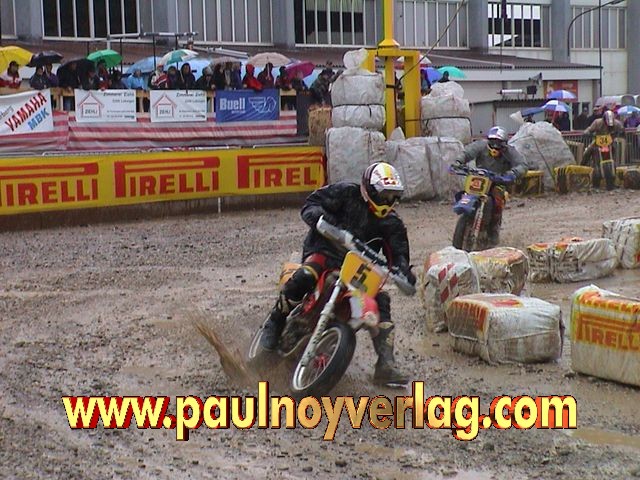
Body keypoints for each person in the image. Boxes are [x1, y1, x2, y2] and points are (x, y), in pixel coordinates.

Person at [259, 162, 416, 386]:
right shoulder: (345, 193)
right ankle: (275, 322)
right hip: (325, 251)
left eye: (393, 196)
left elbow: (399, 254)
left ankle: (385, 363)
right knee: (306, 275)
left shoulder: (392, 223)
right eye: (384, 195)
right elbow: (311, 204)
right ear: (370, 190)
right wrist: (327, 224)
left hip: (359, 269)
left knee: (382, 301)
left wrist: (404, 272)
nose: (388, 201)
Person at [452, 126, 528, 247]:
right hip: (479, 178)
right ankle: (466, 219)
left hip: (499, 181)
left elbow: (522, 165)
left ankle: (493, 229)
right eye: (493, 142)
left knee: (497, 200)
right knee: (466, 193)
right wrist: (458, 162)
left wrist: (513, 173)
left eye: (499, 143)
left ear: (504, 144)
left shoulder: (510, 152)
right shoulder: (481, 145)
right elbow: (467, 152)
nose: (495, 146)